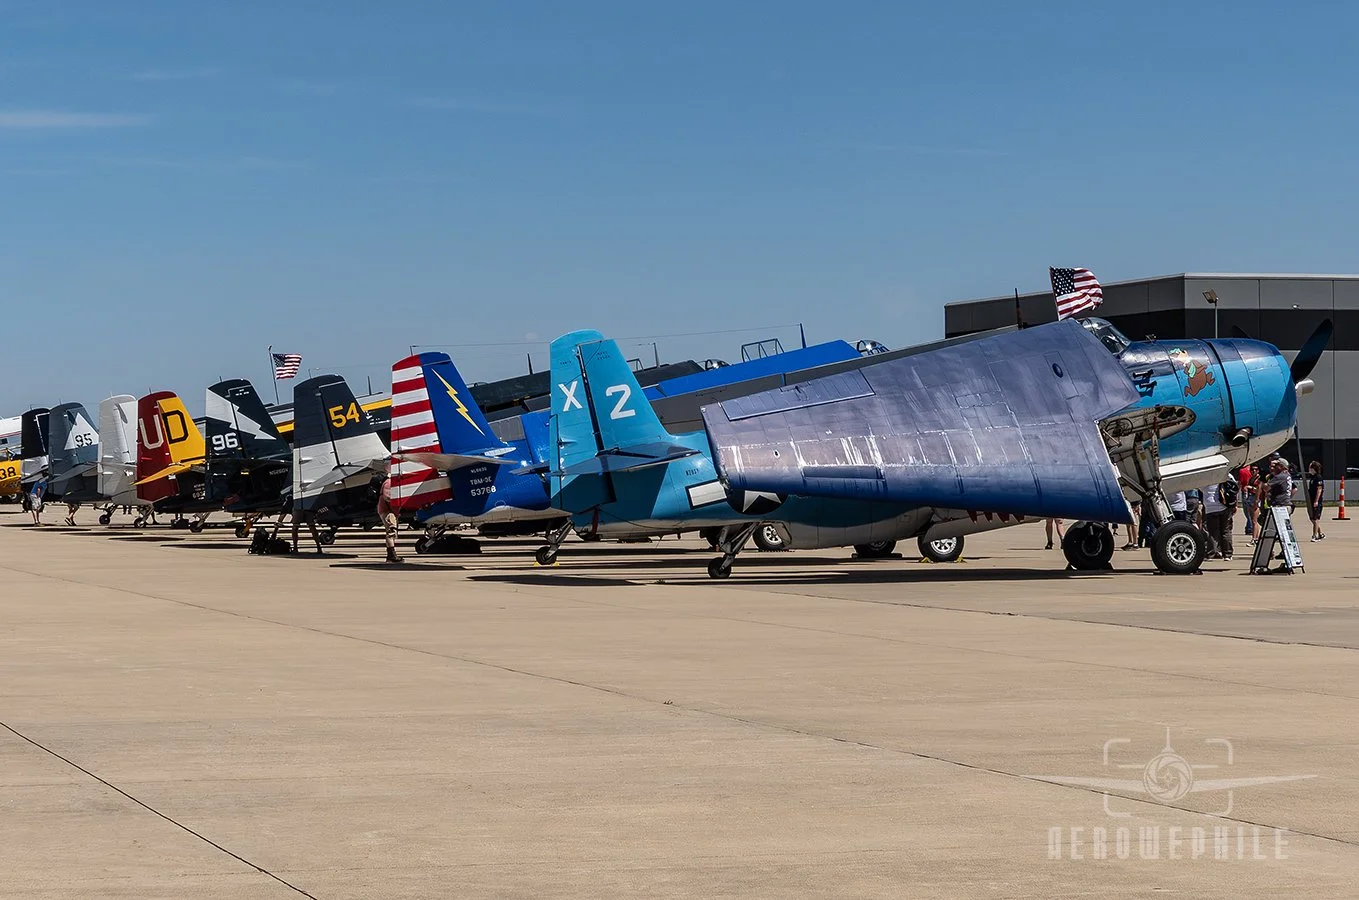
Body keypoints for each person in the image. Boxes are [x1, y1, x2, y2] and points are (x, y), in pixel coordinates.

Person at [377, 469, 404, 564]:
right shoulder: (389, 483)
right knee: (391, 532)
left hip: (388, 511)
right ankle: (391, 555)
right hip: (388, 511)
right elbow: (387, 497)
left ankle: (391, 555)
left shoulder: (390, 482)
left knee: (392, 532)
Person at [1202, 481, 1234, 560]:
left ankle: (1211, 553)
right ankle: (1227, 554)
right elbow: (1234, 487)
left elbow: (1200, 488)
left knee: (1212, 532)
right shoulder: (1225, 475)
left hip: (1210, 507)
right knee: (1226, 531)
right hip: (1224, 505)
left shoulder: (1205, 478)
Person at [1306, 460, 1326, 542]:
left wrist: (1316, 501)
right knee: (1312, 519)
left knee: (1316, 518)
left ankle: (1314, 536)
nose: (1309, 469)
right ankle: (1320, 534)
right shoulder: (1312, 477)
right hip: (1311, 499)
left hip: (1317, 501)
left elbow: (1319, 489)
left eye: (1310, 467)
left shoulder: (1318, 477)